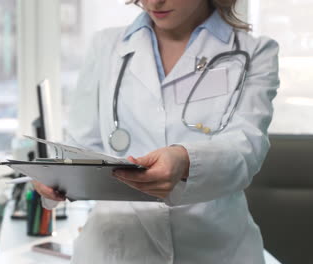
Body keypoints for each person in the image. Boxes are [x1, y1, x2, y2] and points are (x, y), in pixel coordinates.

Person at [33, 0, 279, 263]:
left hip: (214, 247)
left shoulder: (254, 52)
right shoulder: (105, 46)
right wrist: (56, 179)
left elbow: (246, 148)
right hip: (116, 248)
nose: (153, 2)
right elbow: (83, 146)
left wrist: (185, 161)